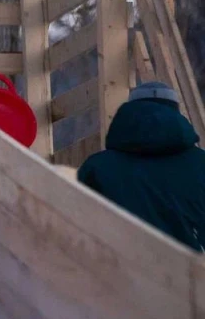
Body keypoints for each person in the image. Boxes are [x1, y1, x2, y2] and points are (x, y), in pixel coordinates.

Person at [77, 82, 205, 252]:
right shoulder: (201, 164)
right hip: (190, 266)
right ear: (176, 111)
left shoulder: (97, 168)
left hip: (117, 265)